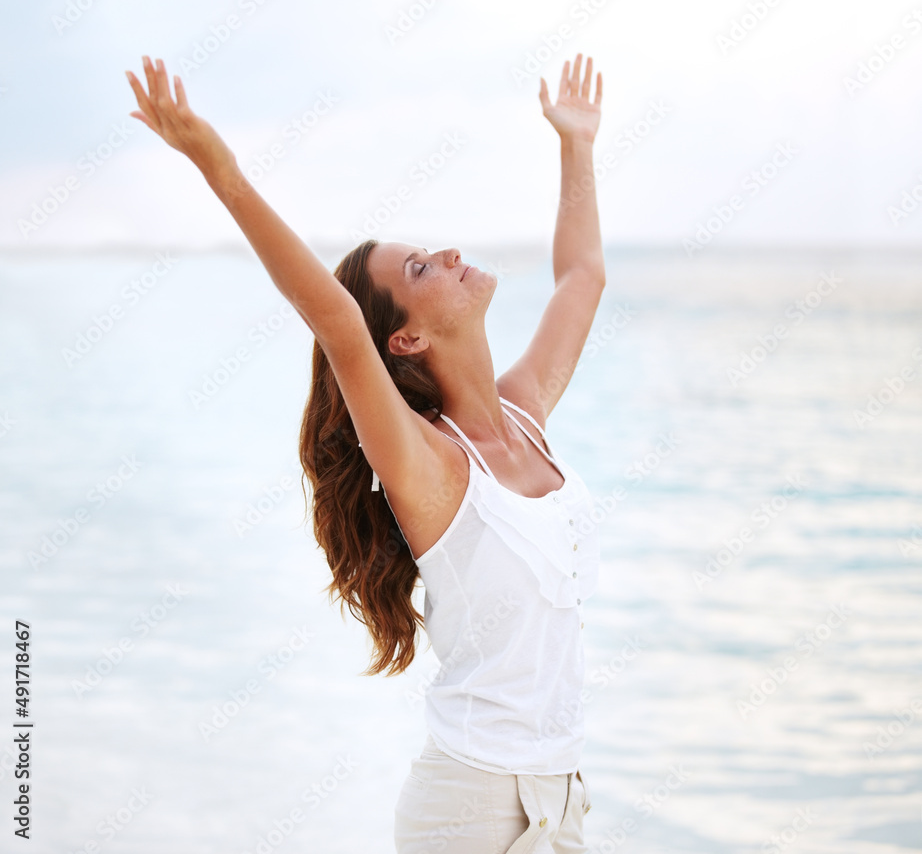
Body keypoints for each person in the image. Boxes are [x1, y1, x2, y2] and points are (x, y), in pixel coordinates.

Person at [126, 52, 606, 852]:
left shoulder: (525, 420)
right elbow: (339, 324)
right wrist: (221, 169)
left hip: (561, 803)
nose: (450, 253)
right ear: (407, 337)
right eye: (421, 267)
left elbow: (582, 277)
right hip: (476, 812)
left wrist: (577, 145)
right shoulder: (431, 467)